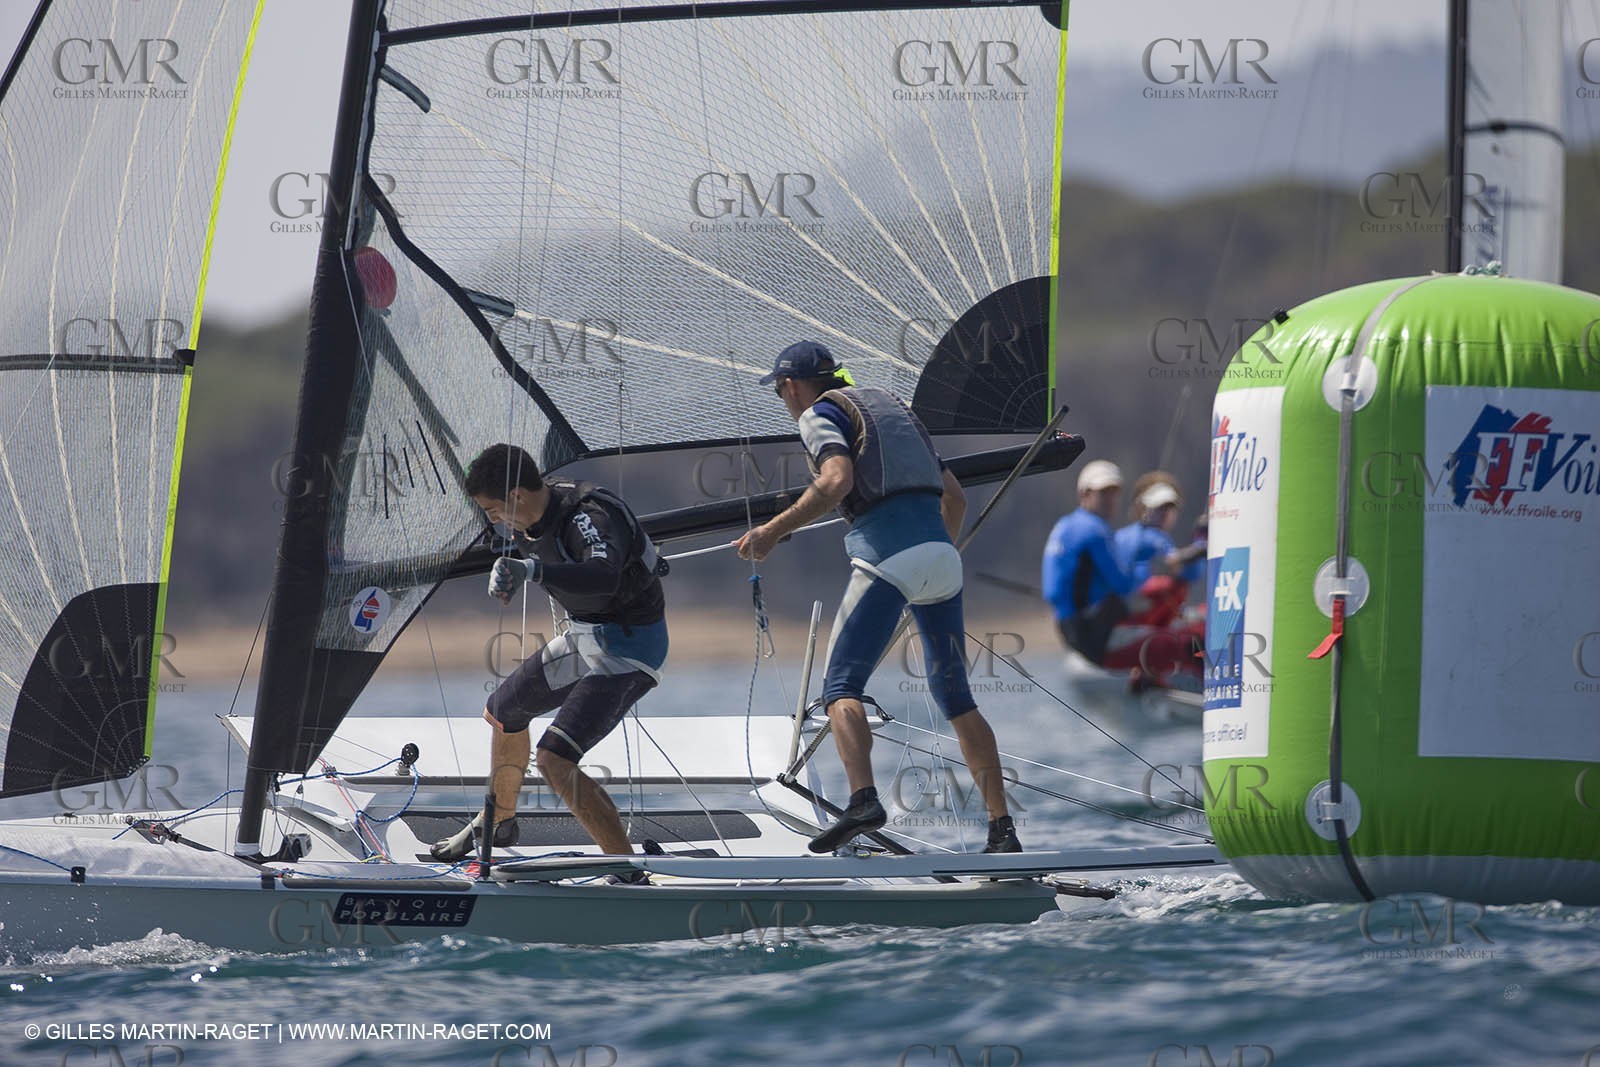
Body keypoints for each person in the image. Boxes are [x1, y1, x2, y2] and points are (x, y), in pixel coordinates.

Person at [733, 340, 1022, 854]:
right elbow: (954, 497)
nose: (784, 401)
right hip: (942, 558)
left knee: (839, 687)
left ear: (793, 386)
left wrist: (772, 533)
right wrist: (931, 559)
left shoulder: (818, 415)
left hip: (888, 557)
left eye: (781, 392)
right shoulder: (898, 412)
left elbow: (836, 480)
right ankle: (1003, 831)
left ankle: (863, 800)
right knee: (957, 700)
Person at [429, 443, 668, 884]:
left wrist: (532, 572)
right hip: (583, 637)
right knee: (503, 712)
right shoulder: (524, 514)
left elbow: (605, 575)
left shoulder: (585, 516)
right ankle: (499, 820)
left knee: (554, 759)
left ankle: (626, 870)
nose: (493, 520)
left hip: (629, 647)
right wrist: (504, 574)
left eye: (494, 510)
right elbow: (515, 550)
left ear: (518, 496)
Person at [1042, 459, 1139, 664]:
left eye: (1114, 493)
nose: (1110, 499)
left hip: (1066, 626)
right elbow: (1123, 585)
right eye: (1103, 493)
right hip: (1092, 630)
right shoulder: (1095, 530)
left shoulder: (1063, 525)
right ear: (1084, 495)